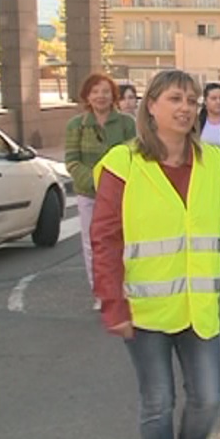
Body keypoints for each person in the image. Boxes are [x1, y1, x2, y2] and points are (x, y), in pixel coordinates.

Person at [91, 69, 220, 439]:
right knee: (157, 401)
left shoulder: (213, 163)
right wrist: (112, 302)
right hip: (146, 310)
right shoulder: (123, 163)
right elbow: (105, 240)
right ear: (151, 106)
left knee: (209, 397)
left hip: (198, 308)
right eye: (175, 99)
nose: (185, 108)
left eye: (191, 100)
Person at [64, 73, 137, 310]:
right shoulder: (76, 125)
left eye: (105, 91)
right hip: (89, 193)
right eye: (95, 91)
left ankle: (126, 287)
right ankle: (101, 292)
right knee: (92, 243)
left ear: (113, 95)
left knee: (124, 241)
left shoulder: (127, 123)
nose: (100, 96)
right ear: (87, 96)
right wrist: (96, 181)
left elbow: (133, 155)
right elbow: (72, 161)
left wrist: (115, 183)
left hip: (122, 193)